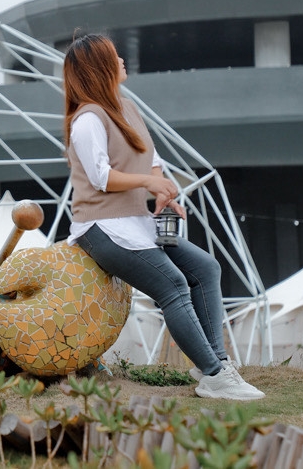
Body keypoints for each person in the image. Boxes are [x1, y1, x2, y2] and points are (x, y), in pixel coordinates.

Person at [62, 33, 263, 401]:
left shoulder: (127, 108)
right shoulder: (87, 120)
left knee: (206, 269)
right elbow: (101, 177)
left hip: (136, 221)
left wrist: (162, 190)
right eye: (114, 56)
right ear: (100, 67)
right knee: (172, 285)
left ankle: (216, 363)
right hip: (101, 227)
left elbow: (149, 157)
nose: (122, 60)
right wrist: (150, 181)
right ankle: (215, 375)